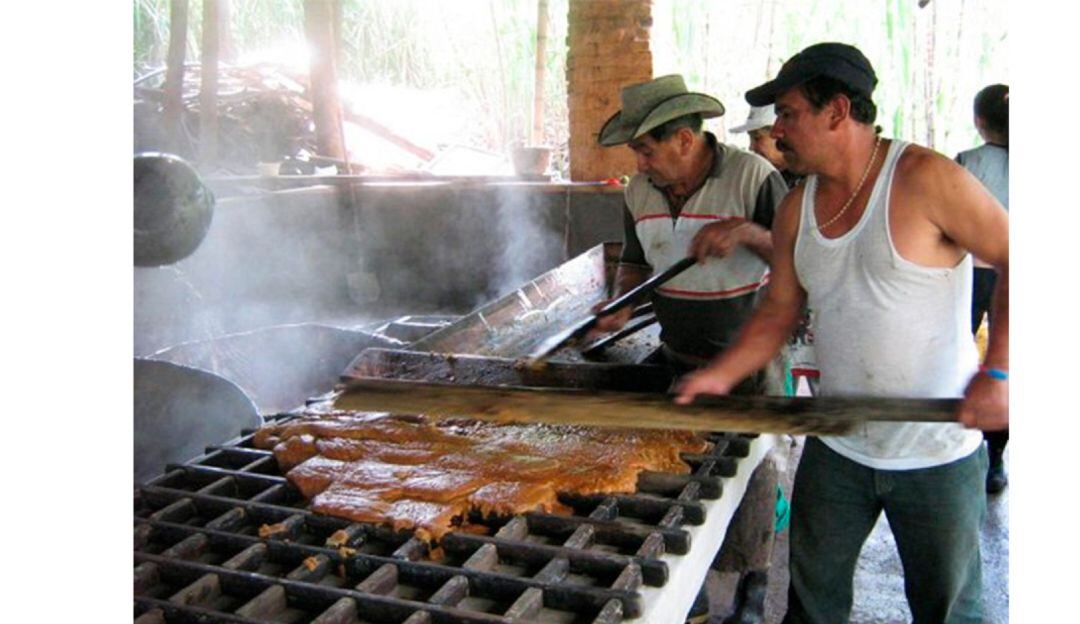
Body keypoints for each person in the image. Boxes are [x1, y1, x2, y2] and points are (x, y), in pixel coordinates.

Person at [675, 42, 1009, 624]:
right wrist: (718, 376)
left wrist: (999, 372)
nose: (777, 131)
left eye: (788, 113)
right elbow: (778, 313)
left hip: (935, 451)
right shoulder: (795, 208)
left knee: (950, 610)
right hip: (837, 442)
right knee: (811, 606)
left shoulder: (925, 177)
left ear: (837, 112)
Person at [594, 74, 789, 624]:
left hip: (750, 364)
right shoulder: (639, 191)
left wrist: (747, 233)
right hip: (680, 358)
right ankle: (692, 593)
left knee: (753, 481)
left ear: (684, 138)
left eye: (645, 148)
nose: (640, 161)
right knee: (678, 480)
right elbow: (634, 260)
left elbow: (798, 263)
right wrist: (620, 305)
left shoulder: (753, 175)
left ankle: (754, 585)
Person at [956, 83, 1009, 494]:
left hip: (972, 276)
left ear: (979, 121)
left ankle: (962, 447)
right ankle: (995, 461)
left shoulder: (966, 163)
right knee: (1004, 367)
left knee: (961, 356)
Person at [731, 105, 804, 188]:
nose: (751, 147)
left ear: (779, 134)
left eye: (757, 138)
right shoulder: (762, 178)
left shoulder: (811, 179)